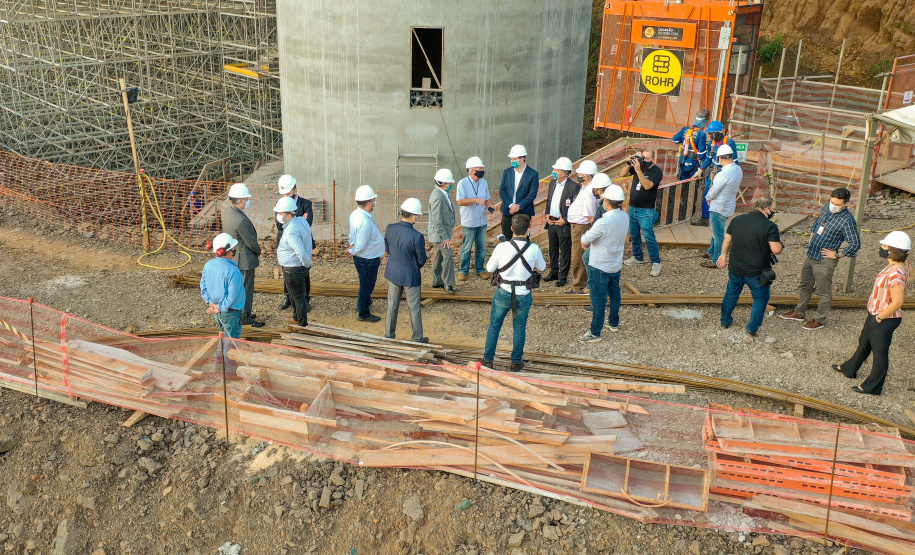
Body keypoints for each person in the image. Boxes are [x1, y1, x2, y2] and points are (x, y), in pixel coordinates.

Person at [834, 231, 910, 395]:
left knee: (879, 353)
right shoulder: (900, 265)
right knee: (864, 342)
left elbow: (898, 302)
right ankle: (849, 368)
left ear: (892, 250)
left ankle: (872, 386)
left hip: (884, 318)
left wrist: (880, 317)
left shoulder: (896, 273)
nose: (881, 248)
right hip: (876, 314)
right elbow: (911, 273)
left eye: (884, 246)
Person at [780, 188, 861, 330]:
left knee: (823, 291)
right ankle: (799, 312)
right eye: (832, 201)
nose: (833, 205)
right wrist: (811, 239)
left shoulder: (847, 221)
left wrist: (836, 255)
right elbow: (817, 224)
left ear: (846, 204)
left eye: (837, 204)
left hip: (825, 260)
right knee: (805, 285)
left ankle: (820, 319)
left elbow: (855, 243)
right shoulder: (825, 208)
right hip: (811, 254)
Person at [481, 214, 546, 371]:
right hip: (523, 293)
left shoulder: (501, 247)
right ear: (528, 230)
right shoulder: (534, 249)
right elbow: (542, 267)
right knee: (519, 328)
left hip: (503, 291)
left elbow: (489, 269)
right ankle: (516, 362)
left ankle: (488, 359)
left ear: (511, 229)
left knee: (494, 326)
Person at [717, 197, 784, 336]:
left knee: (731, 294)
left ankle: (725, 321)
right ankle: (752, 328)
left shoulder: (737, 220)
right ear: (766, 210)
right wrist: (781, 246)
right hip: (757, 272)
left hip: (735, 268)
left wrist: (723, 255)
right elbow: (776, 249)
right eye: (773, 209)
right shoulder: (770, 226)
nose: (774, 212)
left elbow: (727, 239)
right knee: (760, 298)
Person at [578, 185, 629, 342]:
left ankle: (595, 332)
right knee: (614, 293)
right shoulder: (624, 216)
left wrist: (586, 243)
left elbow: (585, 239)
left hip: (599, 264)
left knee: (598, 298)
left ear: (607, 201)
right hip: (615, 264)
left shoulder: (603, 222)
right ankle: (613, 323)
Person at [384, 198, 428, 343]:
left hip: (392, 272)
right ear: (414, 216)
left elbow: (388, 249)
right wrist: (413, 266)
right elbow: (421, 259)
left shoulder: (390, 228)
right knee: (414, 307)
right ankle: (417, 337)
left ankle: (389, 335)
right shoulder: (417, 236)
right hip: (410, 275)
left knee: (392, 305)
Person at [220, 182, 264, 327]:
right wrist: (259, 250)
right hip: (244, 259)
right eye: (245, 198)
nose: (247, 201)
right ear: (239, 200)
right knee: (246, 289)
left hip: (235, 256)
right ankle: (245, 316)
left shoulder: (227, 213)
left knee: (238, 287)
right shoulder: (241, 220)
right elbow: (251, 242)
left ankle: (242, 313)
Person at [621, 150, 664, 277]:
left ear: (653, 159)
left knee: (649, 236)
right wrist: (629, 163)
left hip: (646, 210)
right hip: (633, 207)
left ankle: (656, 262)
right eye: (642, 158)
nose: (644, 160)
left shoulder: (656, 171)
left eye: (646, 158)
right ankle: (638, 257)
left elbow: (647, 186)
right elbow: (622, 174)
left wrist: (638, 170)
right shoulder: (638, 166)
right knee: (634, 234)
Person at [275, 174, 315, 311]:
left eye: (288, 192)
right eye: (284, 193)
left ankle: (305, 297)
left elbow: (308, 223)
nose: (286, 195)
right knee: (287, 271)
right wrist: (299, 218)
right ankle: (288, 296)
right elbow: (279, 226)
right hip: (285, 244)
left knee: (303, 271)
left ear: (295, 190)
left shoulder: (306, 203)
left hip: (302, 243)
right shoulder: (280, 204)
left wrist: (293, 219)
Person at [700, 145, 743, 269]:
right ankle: (711, 252)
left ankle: (715, 259)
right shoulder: (737, 169)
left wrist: (708, 198)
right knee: (717, 230)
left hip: (719, 206)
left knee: (718, 234)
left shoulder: (722, 174)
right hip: (728, 205)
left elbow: (714, 190)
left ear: (720, 158)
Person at [348, 185, 385, 322]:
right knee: (366, 286)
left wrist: (352, 244)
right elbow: (361, 245)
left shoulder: (356, 214)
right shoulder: (364, 221)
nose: (375, 202)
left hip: (366, 259)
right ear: (369, 202)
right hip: (367, 259)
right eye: (373, 200)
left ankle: (364, 303)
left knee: (365, 283)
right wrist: (353, 250)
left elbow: (353, 235)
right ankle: (363, 313)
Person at [200, 232, 246, 339]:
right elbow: (232, 295)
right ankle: (223, 356)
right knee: (231, 342)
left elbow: (203, 285)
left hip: (218, 310)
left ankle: (222, 354)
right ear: (229, 252)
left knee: (225, 336)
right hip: (231, 312)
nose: (235, 249)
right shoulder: (233, 271)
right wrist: (220, 308)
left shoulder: (209, 264)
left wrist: (211, 303)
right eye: (233, 247)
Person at [543, 157, 580, 287]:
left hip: (563, 223)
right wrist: (547, 214)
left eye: (556, 169)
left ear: (564, 172)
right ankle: (553, 272)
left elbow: (576, 207)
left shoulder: (574, 187)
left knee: (564, 250)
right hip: (552, 222)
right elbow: (549, 201)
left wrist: (565, 220)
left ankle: (563, 276)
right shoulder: (553, 183)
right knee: (552, 249)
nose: (553, 171)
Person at [694, 120, 738, 226]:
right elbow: (709, 157)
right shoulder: (712, 143)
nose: (709, 136)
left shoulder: (729, 143)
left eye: (710, 134)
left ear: (716, 133)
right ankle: (705, 218)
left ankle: (719, 218)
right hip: (713, 172)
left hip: (725, 173)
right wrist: (701, 169)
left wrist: (733, 177)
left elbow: (735, 161)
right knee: (707, 194)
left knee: (722, 196)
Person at [456, 156, 493, 281]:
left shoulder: (484, 183)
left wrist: (490, 207)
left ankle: (480, 269)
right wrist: (476, 200)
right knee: (467, 248)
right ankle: (463, 270)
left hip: (482, 221)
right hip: (469, 222)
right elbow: (460, 201)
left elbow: (487, 199)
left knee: (481, 248)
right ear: (472, 170)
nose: (482, 170)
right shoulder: (462, 183)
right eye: (480, 168)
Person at [567, 160, 601, 294]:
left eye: (580, 173)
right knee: (579, 255)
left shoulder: (588, 192)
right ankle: (580, 284)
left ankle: (580, 286)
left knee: (578, 257)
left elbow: (589, 216)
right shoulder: (586, 188)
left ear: (586, 176)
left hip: (581, 227)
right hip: (579, 226)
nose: (577, 174)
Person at [498, 144, 540, 241]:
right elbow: (502, 191)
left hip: (523, 213)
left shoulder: (533, 174)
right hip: (507, 212)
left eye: (515, 159)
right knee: (506, 240)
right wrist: (511, 205)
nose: (512, 161)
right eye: (511, 159)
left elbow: (532, 194)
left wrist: (518, 206)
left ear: (523, 158)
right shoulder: (507, 172)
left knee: (523, 240)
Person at [428, 168, 457, 293]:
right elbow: (436, 220)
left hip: (441, 233)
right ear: (444, 184)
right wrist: (445, 236)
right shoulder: (437, 197)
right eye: (450, 183)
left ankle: (437, 281)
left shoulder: (442, 194)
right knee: (448, 255)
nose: (451, 185)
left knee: (439, 257)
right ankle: (448, 284)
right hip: (440, 234)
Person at [671, 108, 709, 181]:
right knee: (694, 183)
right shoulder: (701, 134)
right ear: (705, 122)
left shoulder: (685, 129)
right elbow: (701, 153)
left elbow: (674, 140)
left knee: (682, 182)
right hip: (693, 162)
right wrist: (705, 164)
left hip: (682, 160)